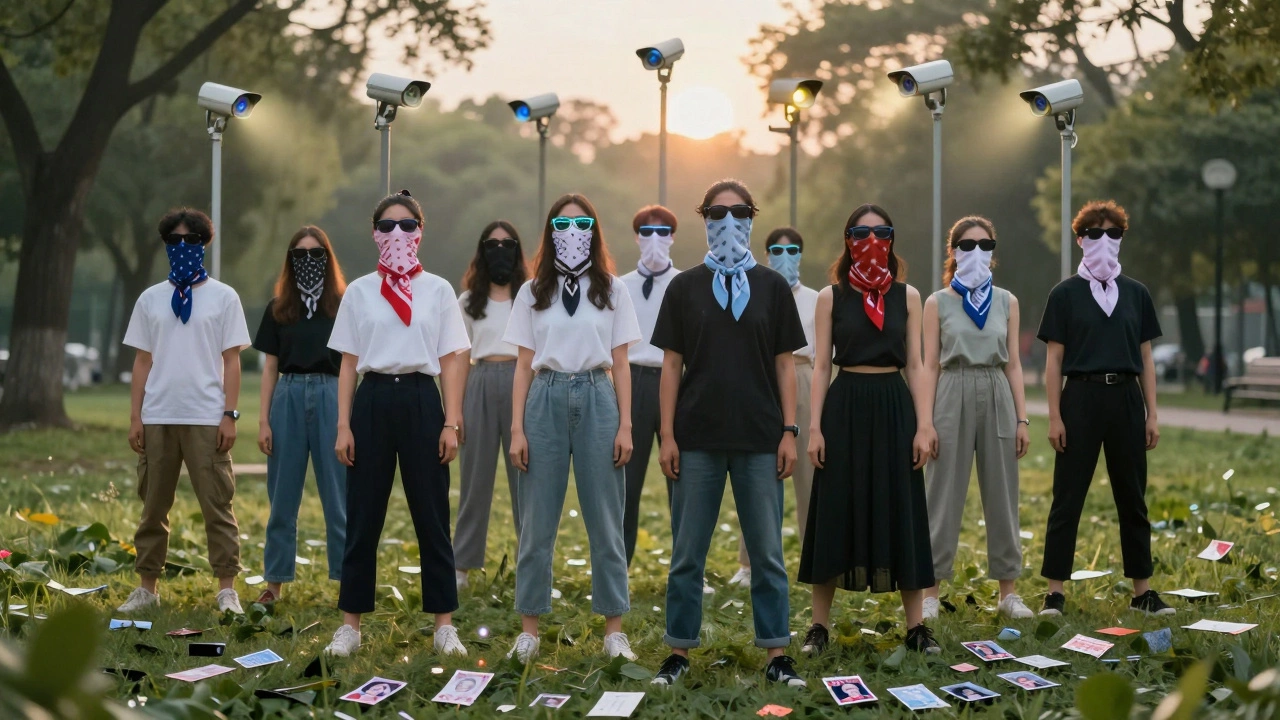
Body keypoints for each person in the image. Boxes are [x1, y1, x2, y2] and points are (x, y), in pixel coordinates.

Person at [649, 179, 807, 688]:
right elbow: (670, 366)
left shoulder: (773, 287)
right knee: (686, 555)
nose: (729, 221)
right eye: (717, 213)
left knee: (767, 555)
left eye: (740, 212)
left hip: (760, 438)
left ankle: (776, 653)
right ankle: (678, 652)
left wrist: (789, 431)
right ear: (705, 219)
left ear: (752, 219)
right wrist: (667, 435)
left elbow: (785, 365)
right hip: (696, 438)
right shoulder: (684, 287)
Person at [323, 190, 470, 657]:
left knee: (432, 515)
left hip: (423, 400)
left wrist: (452, 421)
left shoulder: (439, 290)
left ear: (420, 231)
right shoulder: (360, 291)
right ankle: (350, 626)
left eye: (407, 225)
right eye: (387, 226)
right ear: (375, 233)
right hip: (373, 401)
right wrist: (343, 425)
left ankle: (443, 624)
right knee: (363, 515)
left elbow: (452, 360)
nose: (397, 234)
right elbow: (348, 363)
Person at [503, 193, 641, 664]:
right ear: (550, 231)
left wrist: (626, 424)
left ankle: (614, 630)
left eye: (582, 224)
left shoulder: (613, 290)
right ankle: (529, 629)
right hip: (544, 396)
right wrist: (517, 428)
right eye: (562, 224)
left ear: (595, 231)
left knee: (606, 519)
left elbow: (621, 362)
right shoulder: (532, 291)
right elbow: (522, 364)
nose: (572, 232)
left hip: (598, 396)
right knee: (536, 521)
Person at [798, 203, 940, 656]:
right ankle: (818, 627)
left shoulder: (908, 296)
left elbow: (916, 364)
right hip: (844, 407)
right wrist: (814, 427)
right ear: (848, 239)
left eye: (882, 232)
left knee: (903, 507)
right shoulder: (830, 297)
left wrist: (924, 424)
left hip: (895, 406)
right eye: (861, 233)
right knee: (833, 509)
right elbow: (821, 366)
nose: (872, 241)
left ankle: (916, 628)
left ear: (893, 239)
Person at [1037, 200, 1170, 616]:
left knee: (1132, 497)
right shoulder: (1064, 294)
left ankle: (1142, 592)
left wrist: (1152, 413)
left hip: (1126, 398)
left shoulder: (1136, 293)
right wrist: (1055, 416)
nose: (1104, 240)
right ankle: (1055, 592)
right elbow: (1054, 360)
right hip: (1080, 398)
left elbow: (1146, 358)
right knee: (1068, 497)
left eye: (1114, 233)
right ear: (1080, 239)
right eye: (1095, 233)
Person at [119, 207, 250, 615]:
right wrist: (136, 416)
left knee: (217, 505)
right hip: (158, 416)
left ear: (204, 243)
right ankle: (147, 588)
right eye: (174, 241)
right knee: (153, 507)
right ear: (165, 245)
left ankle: (226, 589)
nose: (182, 246)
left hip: (207, 417)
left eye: (191, 240)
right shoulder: (150, 299)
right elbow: (142, 360)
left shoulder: (224, 297)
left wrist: (229, 414)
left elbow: (232, 361)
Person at [919, 216, 1032, 621]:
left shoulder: (1006, 301)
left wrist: (1022, 419)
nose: (977, 252)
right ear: (953, 251)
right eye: (967, 245)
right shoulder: (937, 302)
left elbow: (1014, 363)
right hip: (952, 390)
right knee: (941, 494)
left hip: (996, 389)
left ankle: (1008, 592)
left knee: (1003, 493)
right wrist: (925, 422)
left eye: (985, 245)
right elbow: (929, 365)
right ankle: (930, 592)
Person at [253, 225, 348, 605]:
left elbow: (352, 366)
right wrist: (264, 421)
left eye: (316, 253)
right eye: (300, 254)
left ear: (328, 257)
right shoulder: (278, 309)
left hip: (331, 395)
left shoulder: (343, 306)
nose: (308, 260)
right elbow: (269, 368)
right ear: (290, 260)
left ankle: (347, 582)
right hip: (288, 396)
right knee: (282, 497)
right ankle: (274, 583)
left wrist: (347, 420)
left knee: (339, 498)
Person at [729, 227, 820, 588]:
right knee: (756, 473)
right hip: (764, 379)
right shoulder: (752, 291)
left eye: (793, 250)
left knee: (810, 475)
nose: (785, 256)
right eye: (777, 251)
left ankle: (814, 560)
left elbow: (824, 353)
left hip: (804, 375)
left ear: (801, 255)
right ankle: (749, 562)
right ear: (766, 255)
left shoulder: (816, 299)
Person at [453, 220, 529, 588]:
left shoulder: (531, 297)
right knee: (474, 480)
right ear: (482, 251)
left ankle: (532, 562)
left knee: (526, 480)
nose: (500, 250)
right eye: (492, 244)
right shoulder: (469, 301)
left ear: (517, 250)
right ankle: (461, 566)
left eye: (507, 243)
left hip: (522, 381)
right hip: (480, 381)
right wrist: (455, 411)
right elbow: (459, 358)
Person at [618, 204, 678, 565]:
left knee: (681, 477)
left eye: (663, 231)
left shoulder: (684, 283)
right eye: (646, 231)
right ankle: (618, 569)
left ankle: (688, 567)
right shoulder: (620, 285)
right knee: (626, 480)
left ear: (673, 237)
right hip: (632, 380)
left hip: (674, 381)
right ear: (636, 237)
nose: (655, 238)